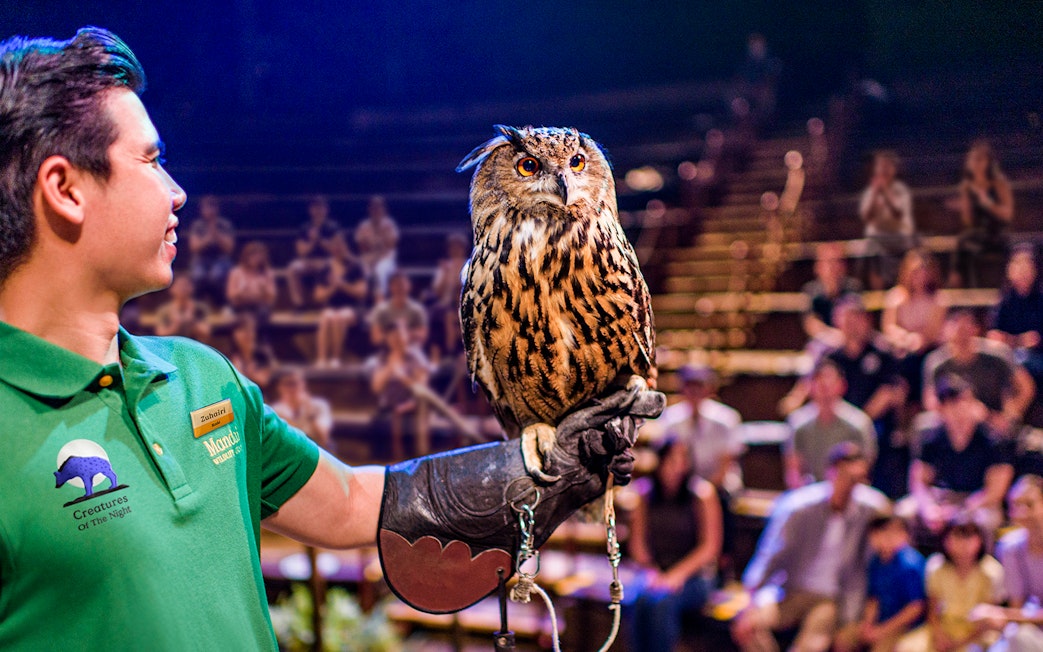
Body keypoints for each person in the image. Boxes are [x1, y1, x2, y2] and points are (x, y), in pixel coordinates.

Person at [0, 30, 662, 648]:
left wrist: (530, 474)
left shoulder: (204, 379)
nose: (176, 192)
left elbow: (348, 504)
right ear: (64, 188)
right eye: (151, 160)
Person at [731, 442, 891, 652]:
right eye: (846, 477)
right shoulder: (799, 507)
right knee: (748, 626)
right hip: (788, 589)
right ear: (831, 472)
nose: (850, 485)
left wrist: (852, 622)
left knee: (811, 645)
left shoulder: (868, 510)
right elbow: (769, 555)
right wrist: (750, 600)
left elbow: (892, 520)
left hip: (830, 597)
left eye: (857, 480)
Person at [627, 437, 723, 652]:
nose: (677, 466)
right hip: (657, 572)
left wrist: (677, 575)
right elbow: (638, 544)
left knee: (661, 603)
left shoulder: (702, 494)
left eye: (682, 459)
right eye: (671, 459)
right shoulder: (645, 493)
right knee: (638, 599)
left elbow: (709, 547)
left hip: (695, 577)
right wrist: (652, 572)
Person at [899, 374, 1014, 551]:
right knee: (904, 512)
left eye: (966, 402)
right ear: (942, 409)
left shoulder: (992, 440)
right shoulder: (931, 438)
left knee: (987, 521)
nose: (962, 410)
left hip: (977, 501)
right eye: (954, 405)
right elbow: (919, 481)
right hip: (942, 498)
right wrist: (929, 508)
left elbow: (995, 491)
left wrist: (961, 511)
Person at [923, 309, 1035, 438]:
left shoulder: (997, 356)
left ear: (976, 329)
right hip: (953, 427)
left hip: (993, 424)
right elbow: (930, 401)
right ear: (945, 331)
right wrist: (963, 415)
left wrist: (1008, 415)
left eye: (967, 328)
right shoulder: (937, 362)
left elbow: (1026, 387)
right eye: (958, 329)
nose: (962, 335)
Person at [834, 515, 925, 652]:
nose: (887, 537)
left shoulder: (910, 564)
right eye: (881, 532)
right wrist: (867, 624)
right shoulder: (875, 561)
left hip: (905, 627)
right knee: (844, 638)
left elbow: (915, 608)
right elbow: (874, 599)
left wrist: (881, 631)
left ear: (905, 535)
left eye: (894, 532)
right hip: (880, 622)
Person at [973, 475, 1043, 651]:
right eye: (1015, 505)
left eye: (1029, 504)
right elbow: (1017, 606)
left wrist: (1001, 614)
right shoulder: (1009, 547)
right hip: (1031, 630)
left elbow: (1014, 616)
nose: (1021, 512)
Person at [784, 359, 877, 488]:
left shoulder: (859, 423)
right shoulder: (798, 423)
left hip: (848, 492)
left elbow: (864, 470)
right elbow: (793, 471)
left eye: (829, 380)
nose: (825, 385)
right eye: (819, 380)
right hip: (810, 494)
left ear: (843, 385)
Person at [922, 516, 1004, 651]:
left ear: (980, 540)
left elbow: (989, 618)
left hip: (978, 634)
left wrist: (960, 643)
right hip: (944, 629)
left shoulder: (991, 571)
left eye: (969, 537)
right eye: (957, 537)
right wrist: (940, 636)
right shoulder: (936, 566)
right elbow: (932, 609)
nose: (963, 543)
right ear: (945, 540)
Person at [881, 249, 946, 408]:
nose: (920, 276)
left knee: (920, 364)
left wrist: (917, 341)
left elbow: (932, 333)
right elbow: (889, 327)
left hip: (928, 350)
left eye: (924, 271)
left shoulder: (938, 300)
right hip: (902, 350)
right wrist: (905, 339)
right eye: (916, 272)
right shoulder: (895, 297)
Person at [952, 139, 1015, 288]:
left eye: (980, 159)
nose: (976, 163)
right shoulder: (967, 186)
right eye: (973, 159)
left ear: (988, 162)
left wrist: (988, 203)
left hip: (998, 232)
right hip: (979, 234)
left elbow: (1008, 214)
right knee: (965, 245)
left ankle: (1007, 287)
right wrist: (965, 206)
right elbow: (968, 222)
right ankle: (965, 287)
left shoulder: (999, 183)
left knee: (967, 243)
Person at [858, 151, 916, 290]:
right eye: (880, 165)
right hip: (877, 240)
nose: (883, 169)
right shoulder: (870, 192)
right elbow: (866, 217)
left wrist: (885, 191)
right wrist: (875, 194)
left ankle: (900, 287)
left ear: (893, 169)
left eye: (887, 165)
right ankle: (873, 290)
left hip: (899, 238)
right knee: (868, 250)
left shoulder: (901, 190)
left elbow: (898, 214)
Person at [988, 244, 1043, 389]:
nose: (1022, 271)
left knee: (1026, 365)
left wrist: (1010, 340)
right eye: (1018, 265)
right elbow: (994, 335)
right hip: (1007, 355)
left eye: (1027, 266)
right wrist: (1018, 341)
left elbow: (1035, 340)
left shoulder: (1040, 300)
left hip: (1036, 358)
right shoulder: (1004, 300)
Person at [314, 231, 369, 367]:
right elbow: (318, 295)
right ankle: (321, 358)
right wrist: (333, 288)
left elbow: (361, 292)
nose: (337, 247)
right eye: (334, 245)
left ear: (346, 246)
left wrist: (342, 285)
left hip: (354, 307)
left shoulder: (356, 265)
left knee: (339, 317)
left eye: (340, 244)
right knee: (327, 316)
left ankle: (336, 358)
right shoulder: (326, 268)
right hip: (332, 306)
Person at [800, 241, 863, 351]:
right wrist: (833, 336)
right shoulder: (811, 290)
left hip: (850, 343)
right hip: (823, 343)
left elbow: (858, 321)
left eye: (837, 262)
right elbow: (811, 323)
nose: (833, 267)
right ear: (818, 266)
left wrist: (845, 337)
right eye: (829, 262)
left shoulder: (853, 288)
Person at [287, 195, 341, 308]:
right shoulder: (304, 227)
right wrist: (312, 242)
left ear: (326, 210)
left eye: (321, 207)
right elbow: (301, 251)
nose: (318, 210)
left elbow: (336, 250)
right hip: (308, 261)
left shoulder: (333, 227)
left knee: (328, 266)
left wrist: (320, 240)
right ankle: (299, 304)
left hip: (327, 260)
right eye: (315, 207)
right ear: (310, 210)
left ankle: (327, 304)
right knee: (293, 268)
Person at [187, 193, 235, 306]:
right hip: (201, 258)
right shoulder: (197, 225)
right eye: (207, 207)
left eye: (212, 207)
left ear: (217, 209)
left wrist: (216, 233)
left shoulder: (225, 225)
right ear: (202, 210)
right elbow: (194, 248)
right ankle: (198, 307)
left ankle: (222, 305)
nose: (210, 210)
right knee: (198, 276)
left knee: (217, 275)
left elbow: (229, 248)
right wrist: (208, 238)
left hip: (221, 258)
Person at [271, 368, 334, 450]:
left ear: (303, 384)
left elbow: (324, 439)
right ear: (279, 387)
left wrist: (310, 411)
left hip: (317, 450)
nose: (292, 388)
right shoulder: (274, 410)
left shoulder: (319, 405)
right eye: (287, 384)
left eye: (295, 383)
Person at [225, 240, 278, 331]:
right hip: (241, 306)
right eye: (253, 256)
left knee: (262, 313)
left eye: (259, 256)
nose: (256, 259)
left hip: (260, 307)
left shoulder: (267, 272)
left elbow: (272, 297)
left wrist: (263, 289)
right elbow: (231, 296)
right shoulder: (236, 272)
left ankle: (261, 340)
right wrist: (241, 291)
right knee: (246, 317)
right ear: (246, 257)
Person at [354, 195, 400, 300]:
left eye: (379, 207)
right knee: (362, 272)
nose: (376, 210)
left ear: (384, 209)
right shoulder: (363, 226)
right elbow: (362, 247)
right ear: (369, 209)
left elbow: (391, 246)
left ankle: (380, 300)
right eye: (373, 207)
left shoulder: (390, 224)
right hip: (368, 259)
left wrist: (382, 235)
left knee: (380, 271)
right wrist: (378, 245)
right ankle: (363, 304)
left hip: (386, 259)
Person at [368, 270, 428, 348]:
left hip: (411, 348)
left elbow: (423, 336)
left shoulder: (417, 309)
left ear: (409, 285)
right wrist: (394, 337)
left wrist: (404, 333)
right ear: (390, 287)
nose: (399, 287)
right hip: (387, 350)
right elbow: (375, 337)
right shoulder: (381, 310)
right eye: (396, 285)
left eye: (402, 284)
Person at [152, 275, 212, 343]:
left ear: (192, 288)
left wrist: (192, 321)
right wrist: (175, 326)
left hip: (195, 346)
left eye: (186, 285)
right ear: (172, 289)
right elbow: (159, 333)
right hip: (172, 347)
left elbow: (206, 332)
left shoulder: (200, 308)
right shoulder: (164, 310)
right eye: (179, 285)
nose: (183, 288)